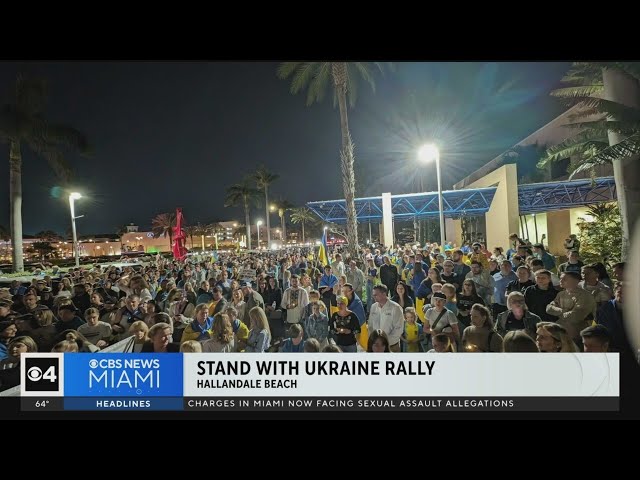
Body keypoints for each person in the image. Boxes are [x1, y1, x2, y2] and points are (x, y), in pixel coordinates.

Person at [368, 285, 404, 352]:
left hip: (392, 346)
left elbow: (398, 329)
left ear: (384, 294)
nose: (373, 297)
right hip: (375, 347)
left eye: (376, 295)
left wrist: (384, 342)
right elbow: (370, 325)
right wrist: (373, 341)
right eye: (373, 295)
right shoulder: (373, 307)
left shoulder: (396, 308)